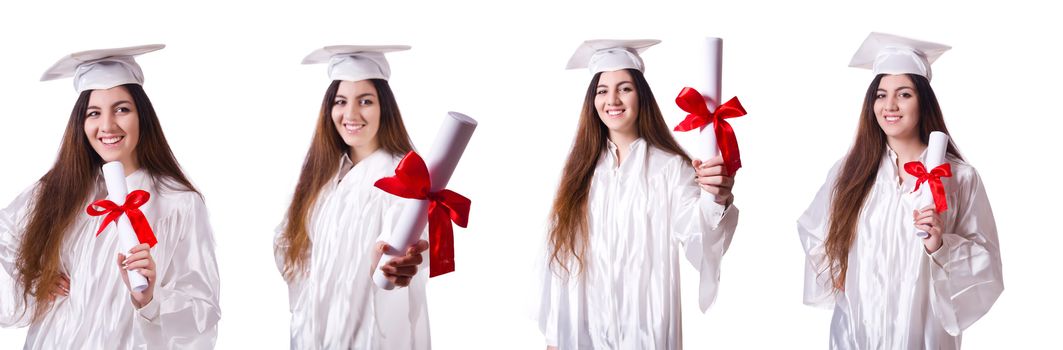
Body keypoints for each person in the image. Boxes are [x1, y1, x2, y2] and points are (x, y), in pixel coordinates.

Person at [0, 44, 221, 349]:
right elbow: (5, 236)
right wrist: (34, 277)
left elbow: (203, 311)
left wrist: (149, 298)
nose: (107, 126)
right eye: (94, 113)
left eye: (122, 109)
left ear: (142, 116)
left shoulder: (179, 203)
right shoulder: (60, 190)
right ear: (81, 124)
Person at [797, 32, 1004, 349]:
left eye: (904, 94)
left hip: (922, 336)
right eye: (881, 95)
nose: (890, 105)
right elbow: (816, 232)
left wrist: (941, 246)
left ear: (923, 100)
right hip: (855, 333)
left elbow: (986, 264)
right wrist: (837, 266)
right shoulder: (847, 172)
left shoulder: (959, 178)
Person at [537, 39, 740, 349]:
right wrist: (554, 338)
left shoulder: (670, 168)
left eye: (625, 88)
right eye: (602, 90)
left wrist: (716, 198)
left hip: (645, 332)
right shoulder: (579, 172)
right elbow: (561, 257)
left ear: (641, 96)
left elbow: (699, 236)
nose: (612, 99)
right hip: (582, 334)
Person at [274, 45, 431, 349]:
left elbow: (412, 243)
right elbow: (289, 248)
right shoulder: (322, 174)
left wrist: (392, 261)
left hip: (373, 337)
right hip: (313, 335)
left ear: (384, 107)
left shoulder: (402, 173)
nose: (351, 114)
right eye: (341, 101)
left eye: (366, 101)